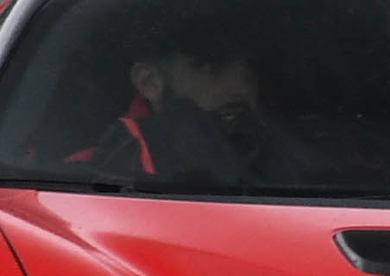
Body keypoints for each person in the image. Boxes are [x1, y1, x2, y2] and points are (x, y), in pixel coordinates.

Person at [74, 30, 304, 183]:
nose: (240, 89)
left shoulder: (309, 153)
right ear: (149, 81)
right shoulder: (87, 176)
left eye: (249, 72)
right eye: (210, 68)